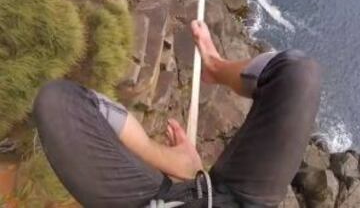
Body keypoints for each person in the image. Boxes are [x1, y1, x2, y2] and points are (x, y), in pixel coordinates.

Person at [34, 21, 321, 207]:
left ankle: (180, 167)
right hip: (236, 200)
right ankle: (214, 66)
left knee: (57, 102)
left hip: (151, 202)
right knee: (297, 75)